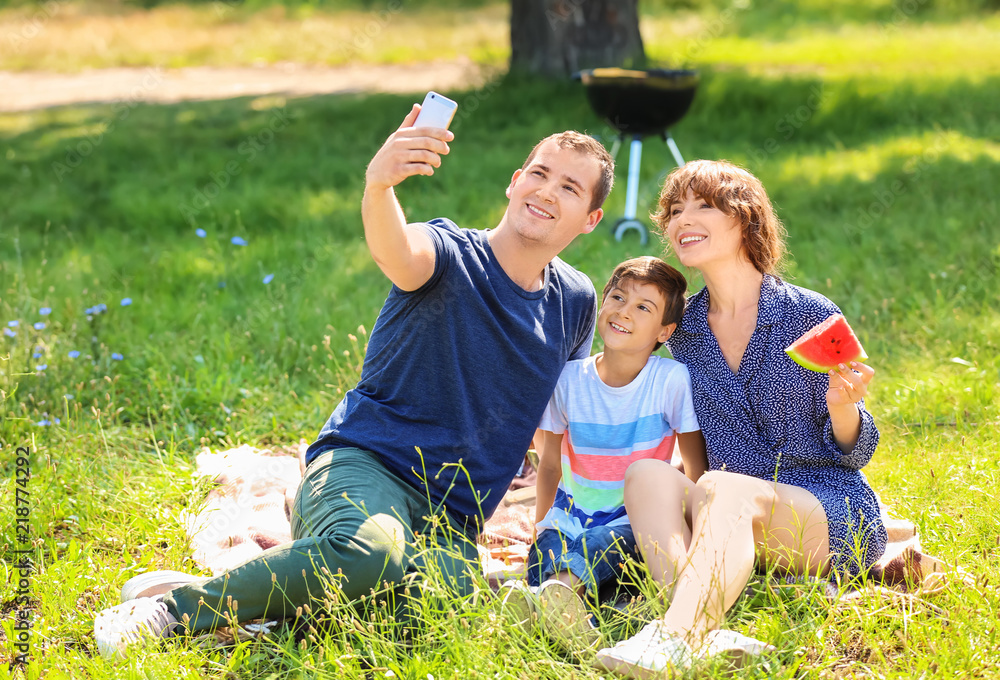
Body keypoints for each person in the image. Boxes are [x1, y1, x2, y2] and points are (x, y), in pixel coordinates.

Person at [93, 103, 615, 658]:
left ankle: (252, 594)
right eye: (538, 173)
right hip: (368, 464)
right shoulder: (449, 253)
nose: (547, 191)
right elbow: (397, 250)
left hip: (454, 518)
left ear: (589, 220)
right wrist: (379, 186)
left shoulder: (575, 299)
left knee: (433, 619)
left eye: (570, 187)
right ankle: (169, 611)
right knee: (371, 555)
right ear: (514, 183)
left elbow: (558, 420)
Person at [595, 160, 886, 676]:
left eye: (704, 205)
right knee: (647, 477)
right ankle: (708, 627)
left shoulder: (808, 315)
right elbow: (688, 450)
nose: (683, 218)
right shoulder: (684, 335)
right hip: (721, 509)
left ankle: (672, 637)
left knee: (727, 488)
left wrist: (844, 409)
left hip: (828, 512)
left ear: (745, 218)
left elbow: (857, 450)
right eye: (674, 209)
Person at [501, 256, 706, 653]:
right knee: (548, 550)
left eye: (643, 307)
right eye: (617, 297)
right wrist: (543, 523)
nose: (623, 312)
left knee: (599, 545)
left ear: (665, 331)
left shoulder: (670, 381)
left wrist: (693, 530)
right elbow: (548, 465)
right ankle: (567, 616)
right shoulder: (570, 380)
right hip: (572, 510)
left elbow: (695, 466)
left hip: (632, 518)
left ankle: (553, 598)